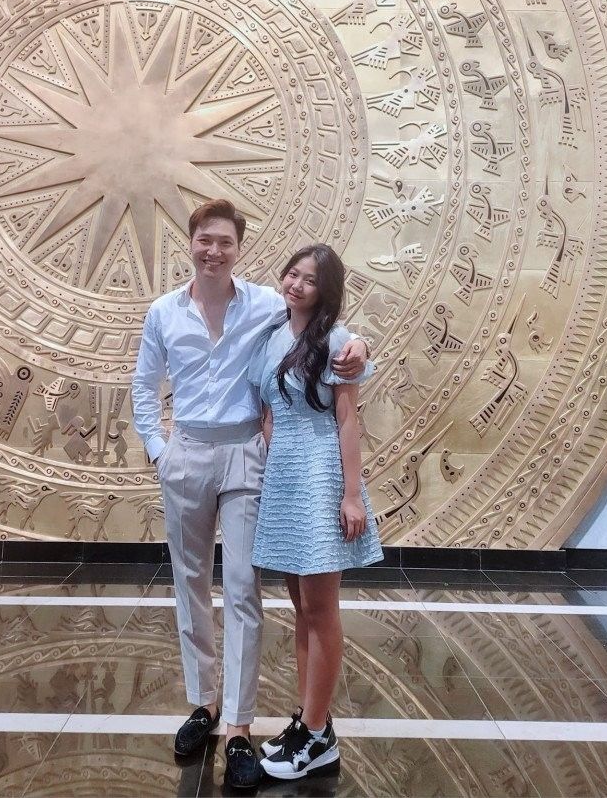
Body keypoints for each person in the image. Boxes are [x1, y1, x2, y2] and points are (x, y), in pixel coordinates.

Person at [131, 200, 368, 790]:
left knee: (242, 588)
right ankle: (203, 705)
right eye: (204, 240)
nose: (214, 251)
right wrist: (160, 452)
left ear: (239, 249)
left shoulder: (264, 303)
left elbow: (326, 328)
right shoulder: (163, 311)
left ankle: (238, 725)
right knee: (190, 582)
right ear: (191, 242)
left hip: (245, 455)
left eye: (225, 243)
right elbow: (143, 385)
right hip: (186, 452)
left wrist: (361, 345)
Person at [249, 244, 384, 782]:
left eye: (309, 279)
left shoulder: (336, 341)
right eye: (292, 274)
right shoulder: (272, 333)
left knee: (322, 609)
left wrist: (351, 496)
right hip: (284, 477)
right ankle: (313, 726)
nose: (297, 284)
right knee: (301, 609)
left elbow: (348, 420)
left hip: (320, 474)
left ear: (325, 290)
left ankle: (314, 730)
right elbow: (267, 408)